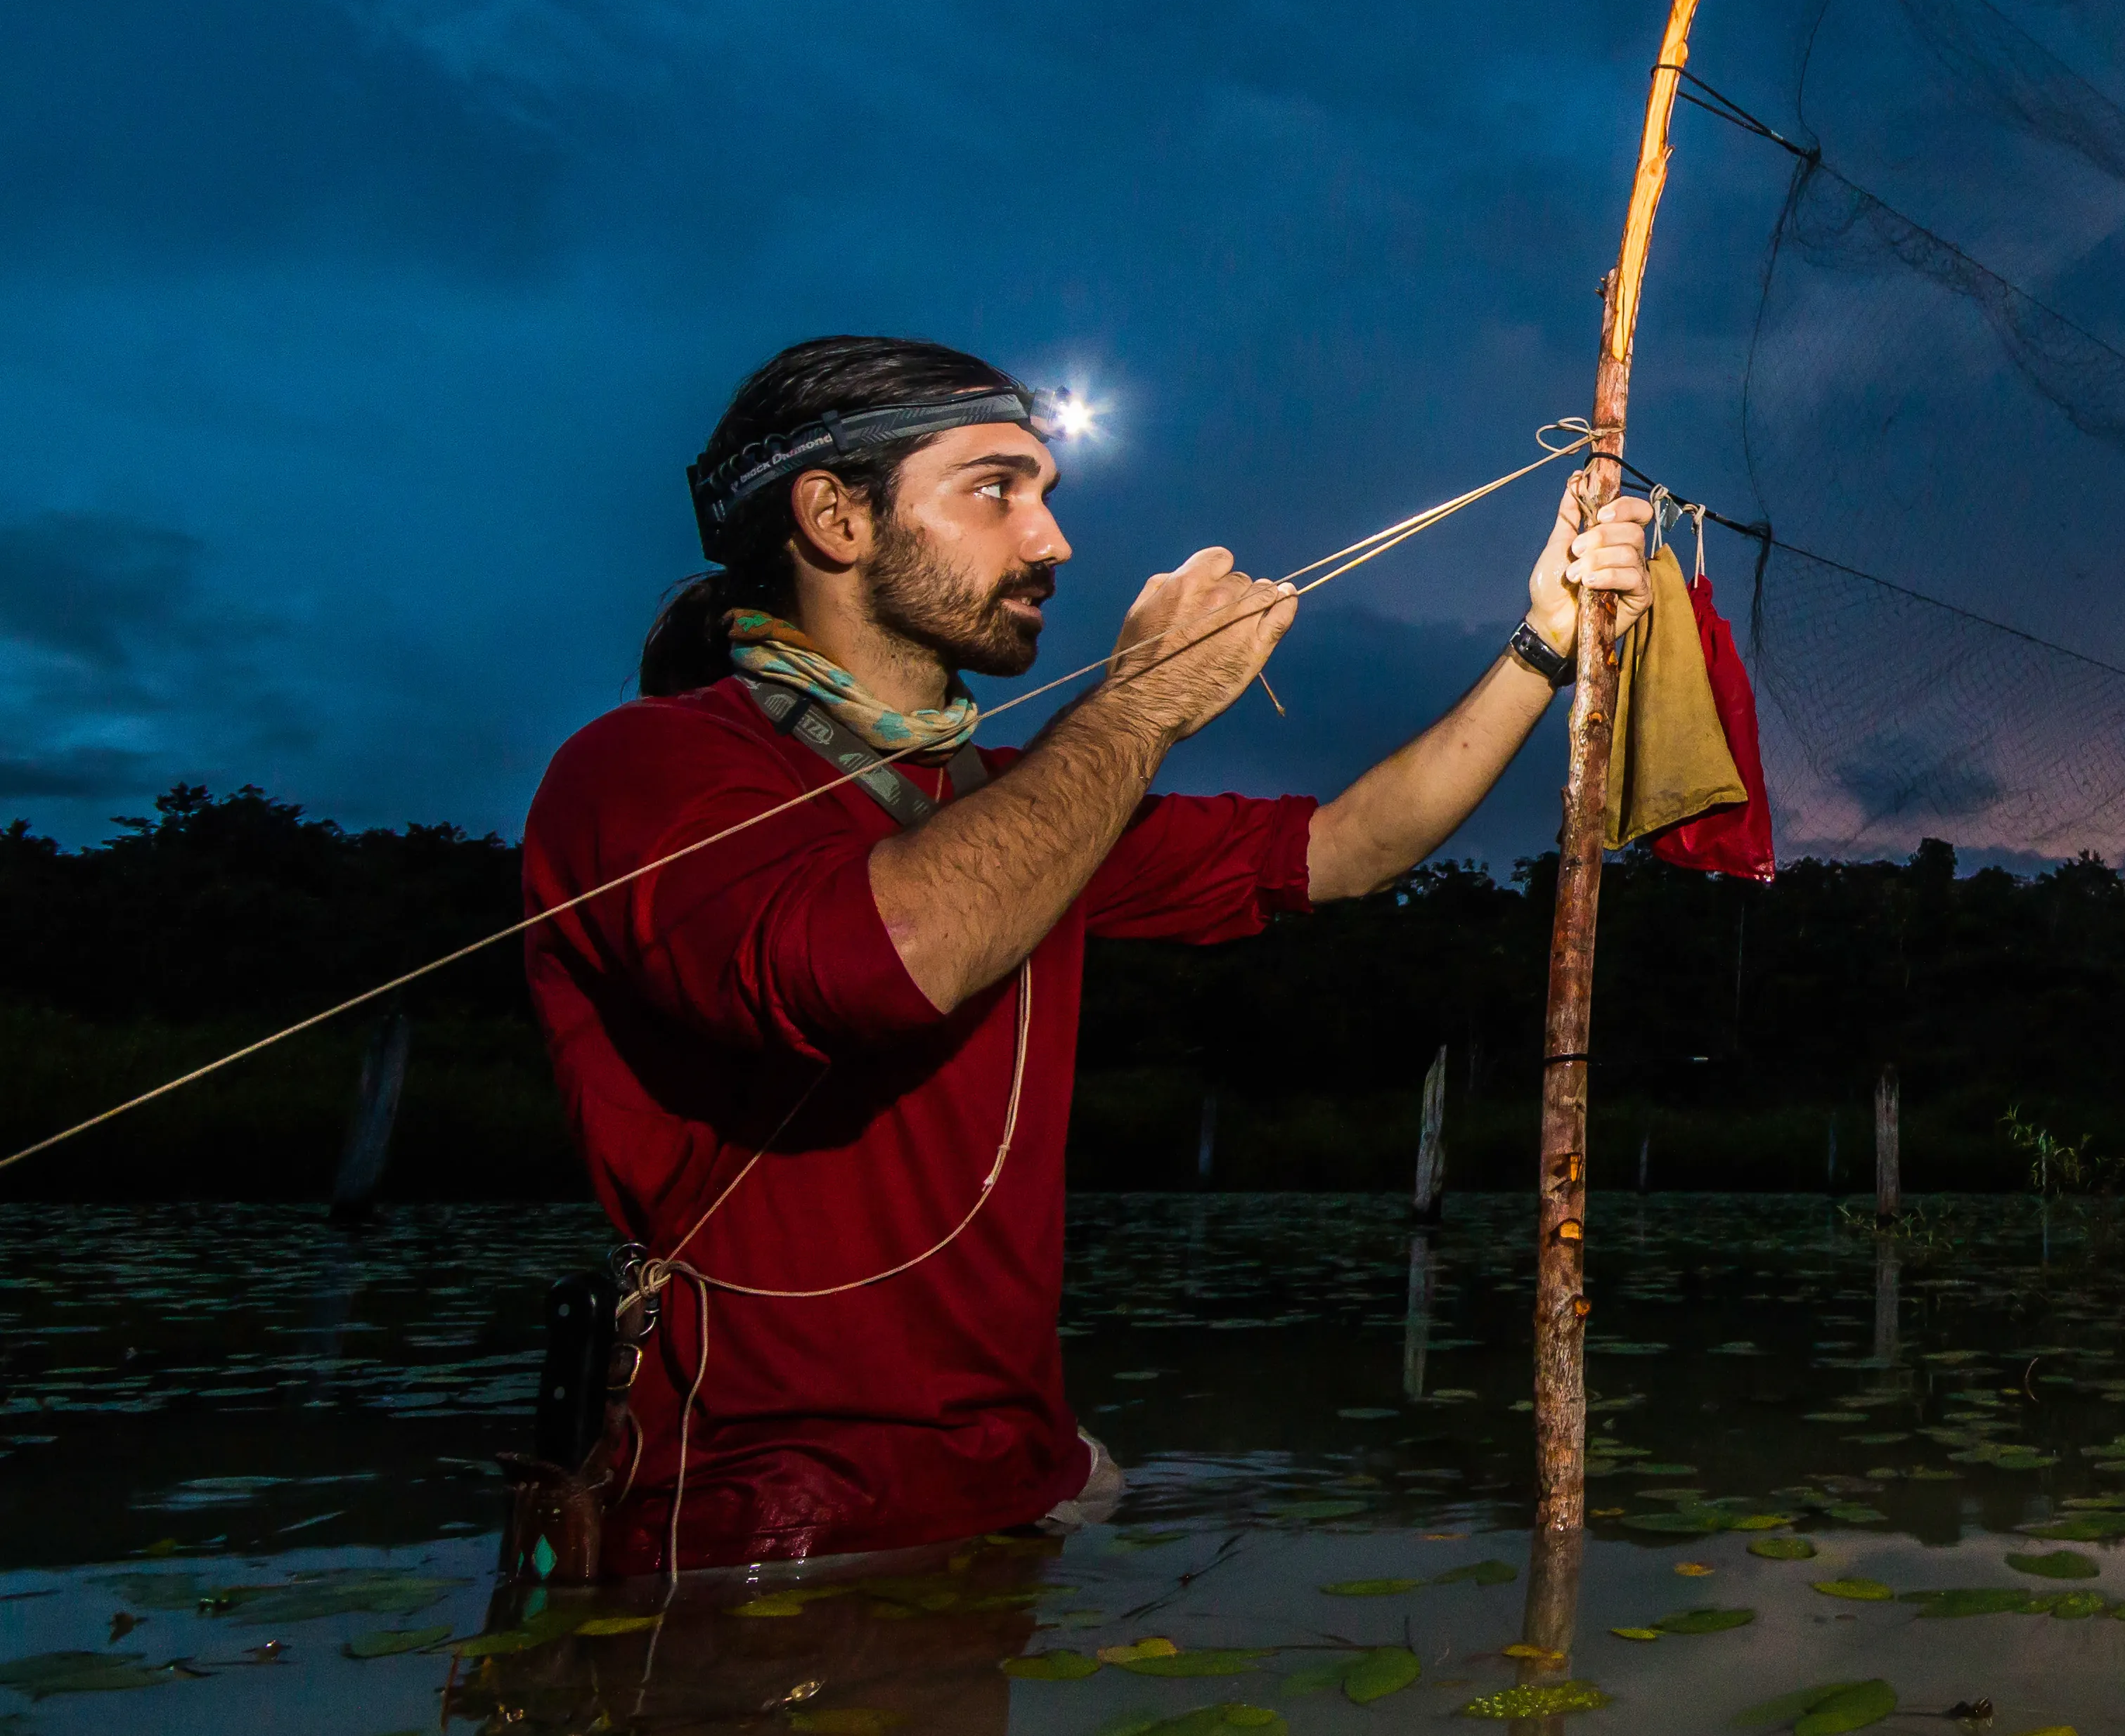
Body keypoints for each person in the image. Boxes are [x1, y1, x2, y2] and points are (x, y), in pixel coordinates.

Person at [519, 335, 1648, 1574]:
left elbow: (1345, 847)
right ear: (835, 517)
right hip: (759, 1534)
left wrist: (1544, 643)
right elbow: (883, 960)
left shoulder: (1025, 800)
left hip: (1013, 1486)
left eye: (1048, 493)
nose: (1052, 542)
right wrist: (1144, 701)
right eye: (997, 489)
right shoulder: (643, 769)